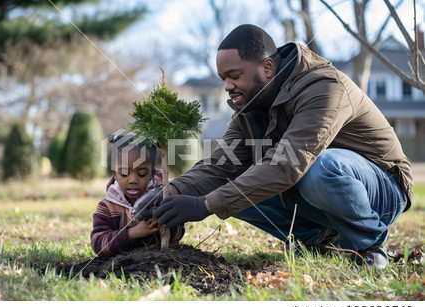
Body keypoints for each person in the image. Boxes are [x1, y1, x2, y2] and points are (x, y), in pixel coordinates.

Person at [138, 24, 413, 269]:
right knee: (233, 179)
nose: (227, 86)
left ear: (267, 67)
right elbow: (220, 165)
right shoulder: (250, 107)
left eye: (234, 75)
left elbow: (288, 163)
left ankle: (368, 245)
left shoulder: (324, 88)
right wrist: (173, 191)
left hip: (383, 189)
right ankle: (317, 238)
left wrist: (205, 205)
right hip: (321, 189)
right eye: (223, 78)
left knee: (321, 167)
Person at [90, 135, 184, 257]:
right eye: (124, 174)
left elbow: (179, 232)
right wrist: (131, 233)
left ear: (152, 173)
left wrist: (163, 225)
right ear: (114, 174)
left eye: (142, 174)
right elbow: (98, 245)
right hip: (122, 269)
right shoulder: (107, 207)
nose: (133, 180)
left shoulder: (163, 197)